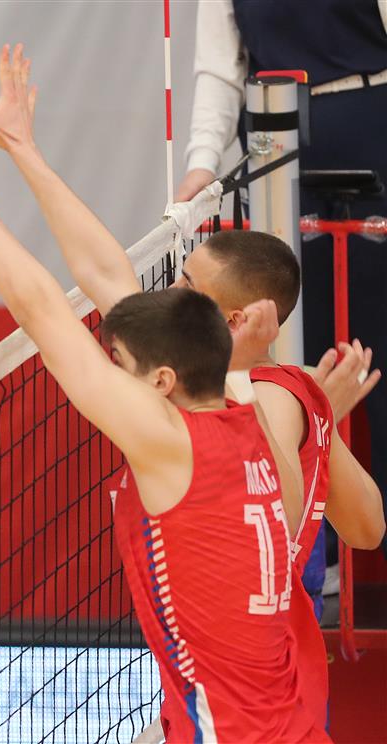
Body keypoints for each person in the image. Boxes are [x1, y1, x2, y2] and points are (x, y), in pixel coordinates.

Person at [0, 43, 384, 729]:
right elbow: (106, 276)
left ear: (235, 319)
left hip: (252, 702)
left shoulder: (245, 407)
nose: (172, 289)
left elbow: (49, 310)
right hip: (261, 691)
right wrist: (23, 150)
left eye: (188, 284)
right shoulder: (255, 382)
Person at [175, 0, 387, 564]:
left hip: (375, 125)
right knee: (292, 360)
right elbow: (220, 68)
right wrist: (202, 164)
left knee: (378, 350)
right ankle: (311, 564)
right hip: (278, 149)